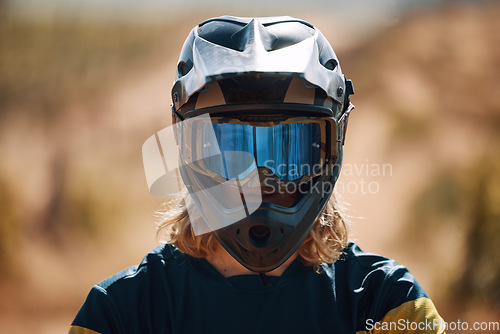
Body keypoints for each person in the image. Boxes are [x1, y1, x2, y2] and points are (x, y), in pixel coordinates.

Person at [69, 16, 446, 334]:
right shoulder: (116, 316)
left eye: (290, 150)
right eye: (230, 150)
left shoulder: (390, 306)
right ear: (184, 144)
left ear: (335, 143)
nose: (261, 180)